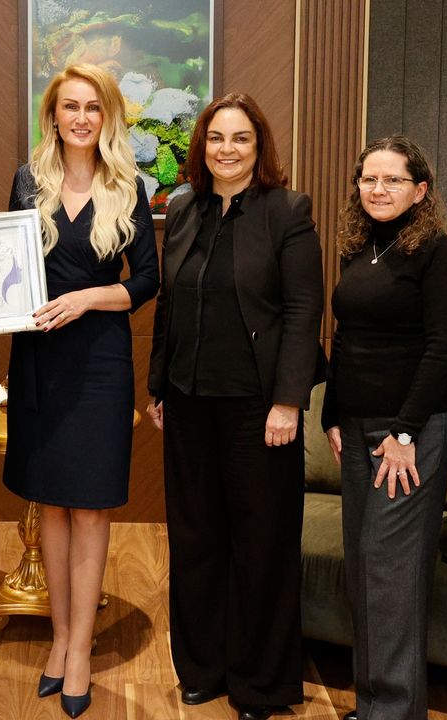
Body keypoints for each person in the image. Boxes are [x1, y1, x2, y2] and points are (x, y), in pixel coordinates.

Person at [145, 93, 324, 720]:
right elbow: (169, 302)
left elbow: (303, 311)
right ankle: (202, 667)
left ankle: (260, 683)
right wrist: (159, 384)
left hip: (259, 408)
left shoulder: (287, 211)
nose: (227, 149)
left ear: (259, 146)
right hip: (189, 402)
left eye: (241, 138)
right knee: (195, 537)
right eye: (217, 138)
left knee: (260, 543)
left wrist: (288, 402)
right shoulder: (184, 206)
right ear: (202, 146)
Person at [0, 63, 158, 719]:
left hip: (99, 365)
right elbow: (4, 269)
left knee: (90, 508)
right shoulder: (27, 181)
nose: (82, 118)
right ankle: (60, 639)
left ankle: (83, 650)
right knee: (53, 507)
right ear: (54, 116)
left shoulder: (129, 186)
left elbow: (146, 282)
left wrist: (88, 297)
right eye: (71, 106)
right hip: (39, 361)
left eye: (94, 107)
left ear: (108, 116)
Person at [321, 135, 447, 720]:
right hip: (357, 425)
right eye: (369, 179)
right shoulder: (360, 247)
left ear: (420, 190)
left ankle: (395, 710)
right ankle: (374, 703)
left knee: (390, 568)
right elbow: (347, 338)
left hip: (411, 431)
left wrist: (404, 433)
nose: (378, 189)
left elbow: (442, 350)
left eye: (392, 180)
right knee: (364, 564)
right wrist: (332, 414)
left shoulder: (438, 253)